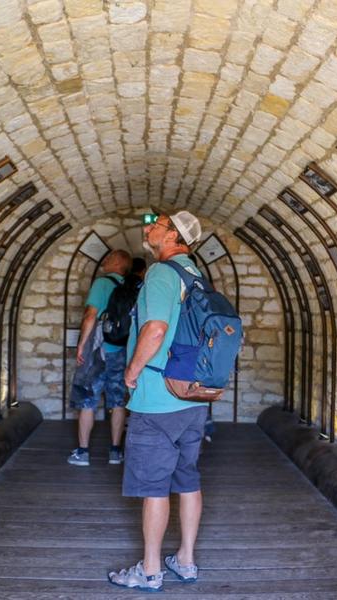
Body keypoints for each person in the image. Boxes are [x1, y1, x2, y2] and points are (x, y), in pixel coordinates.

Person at [108, 211, 206, 592]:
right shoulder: (195, 276)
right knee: (189, 479)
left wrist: (131, 372)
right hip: (191, 396)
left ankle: (150, 570)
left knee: (154, 487)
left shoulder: (162, 274)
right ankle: (186, 560)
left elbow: (155, 328)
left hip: (157, 398)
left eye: (156, 225)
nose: (148, 229)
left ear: (173, 237)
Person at [68, 249, 132, 467]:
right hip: (121, 351)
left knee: (87, 400)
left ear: (117, 263)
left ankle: (83, 452)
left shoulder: (101, 284)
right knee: (118, 401)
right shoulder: (130, 288)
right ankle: (115, 451)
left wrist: (82, 345)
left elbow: (90, 315)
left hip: (97, 351)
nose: (105, 260)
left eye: (110, 257)